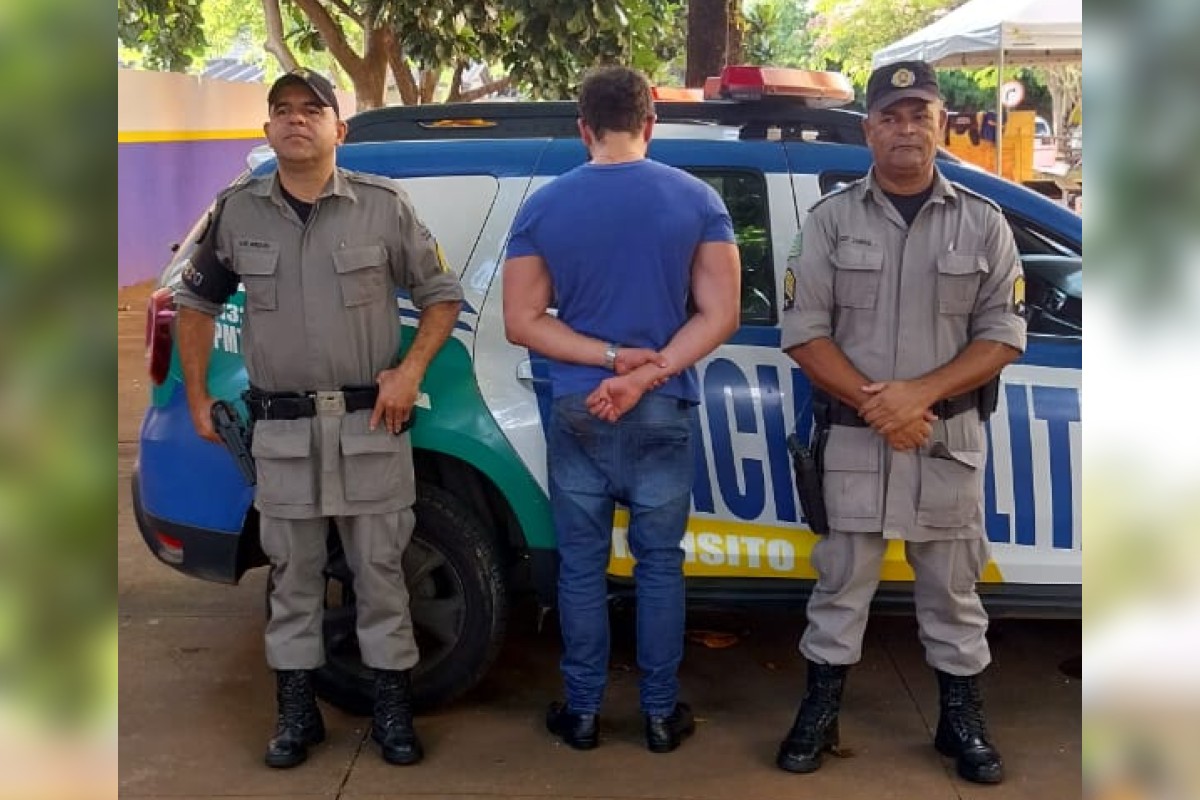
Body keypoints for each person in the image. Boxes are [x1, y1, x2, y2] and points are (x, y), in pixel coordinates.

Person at [174, 68, 462, 769]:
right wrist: (194, 395)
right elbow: (195, 303)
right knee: (293, 578)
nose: (296, 120)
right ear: (267, 129)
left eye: (312, 109)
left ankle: (393, 713)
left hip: (370, 428)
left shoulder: (384, 207)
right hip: (283, 434)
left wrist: (411, 370)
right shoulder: (236, 211)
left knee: (381, 574)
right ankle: (296, 715)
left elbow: (442, 295)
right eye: (282, 110)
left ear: (340, 128)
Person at [777, 60, 1026, 785]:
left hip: (946, 440)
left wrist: (917, 396)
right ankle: (819, 715)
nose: (906, 128)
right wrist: (880, 405)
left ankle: (961, 720)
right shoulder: (829, 221)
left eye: (919, 113)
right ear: (869, 131)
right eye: (891, 116)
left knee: (953, 592)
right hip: (856, 439)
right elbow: (805, 332)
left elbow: (1004, 333)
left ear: (940, 122)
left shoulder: (985, 222)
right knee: (839, 587)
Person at [502, 65, 741, 753]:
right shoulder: (696, 200)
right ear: (650, 124)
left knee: (580, 566)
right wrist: (650, 372)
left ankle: (581, 714)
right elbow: (719, 314)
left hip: (580, 405)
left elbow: (522, 320)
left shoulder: (545, 206)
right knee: (659, 563)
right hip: (663, 408)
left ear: (583, 128)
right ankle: (662, 717)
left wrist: (610, 361)